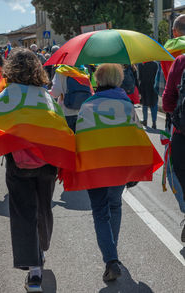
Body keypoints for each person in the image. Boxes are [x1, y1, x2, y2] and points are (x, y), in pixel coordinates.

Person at [0, 47, 76, 292]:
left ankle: (34, 270)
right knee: (43, 208)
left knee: (23, 214)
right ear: (37, 69)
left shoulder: (6, 96)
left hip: (18, 165)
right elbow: (61, 127)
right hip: (47, 165)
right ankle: (41, 246)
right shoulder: (46, 97)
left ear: (11, 70)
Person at [85, 64, 127, 282]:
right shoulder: (127, 104)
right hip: (119, 165)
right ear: (118, 80)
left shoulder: (89, 104)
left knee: (100, 211)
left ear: (98, 80)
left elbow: (80, 137)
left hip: (96, 166)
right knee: (115, 205)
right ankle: (113, 252)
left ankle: (111, 259)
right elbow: (136, 138)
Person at [162, 14, 185, 242]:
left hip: (181, 131)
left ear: (176, 31)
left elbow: (167, 102)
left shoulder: (176, 59)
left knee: (174, 172)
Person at [49, 65, 93, 132]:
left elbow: (55, 93)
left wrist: (47, 92)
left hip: (66, 112)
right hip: (82, 112)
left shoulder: (61, 70)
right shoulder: (84, 70)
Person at [138, 61, 159, 129]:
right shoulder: (155, 64)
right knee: (154, 105)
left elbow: (140, 77)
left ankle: (145, 120)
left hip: (144, 86)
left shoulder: (141, 64)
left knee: (145, 104)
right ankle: (154, 122)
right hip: (153, 87)